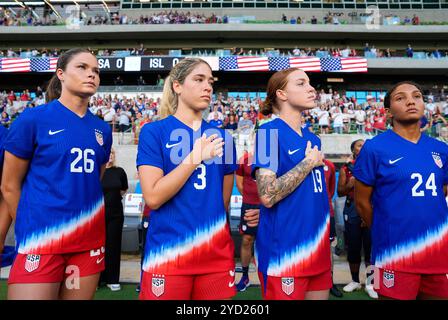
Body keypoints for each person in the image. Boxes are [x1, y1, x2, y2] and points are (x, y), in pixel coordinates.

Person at [137, 58, 257, 300]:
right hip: (168, 254)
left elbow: (221, 203)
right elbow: (153, 197)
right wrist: (195, 157)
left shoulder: (223, 138)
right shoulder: (154, 131)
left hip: (215, 254)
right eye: (199, 79)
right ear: (177, 86)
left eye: (210, 81)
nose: (208, 87)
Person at [0, 48, 112, 300]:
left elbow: (94, 182)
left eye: (96, 70)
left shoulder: (102, 129)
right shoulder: (32, 119)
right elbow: (9, 185)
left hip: (87, 243)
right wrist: (32, 226)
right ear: (60, 74)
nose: (91, 74)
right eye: (82, 68)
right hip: (41, 242)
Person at [354, 81, 448, 300]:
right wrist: (385, 231)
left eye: (416, 96)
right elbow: (361, 203)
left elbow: (441, 191)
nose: (410, 101)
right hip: (392, 254)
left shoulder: (441, 149)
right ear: (388, 112)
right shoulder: (374, 147)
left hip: (437, 252)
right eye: (400, 98)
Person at [253, 68, 331, 300]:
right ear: (282, 94)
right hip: (285, 252)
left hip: (318, 248)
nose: (311, 88)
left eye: (309, 83)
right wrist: (307, 163)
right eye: (301, 83)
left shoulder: (313, 138)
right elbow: (267, 195)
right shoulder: (267, 133)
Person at [337, 139, 377, 299]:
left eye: (365, 144)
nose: (363, 147)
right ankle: (354, 281)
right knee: (353, 248)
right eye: (360, 145)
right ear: (353, 150)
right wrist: (350, 185)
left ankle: (372, 283)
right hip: (352, 209)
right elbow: (340, 192)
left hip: (372, 208)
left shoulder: (375, 166)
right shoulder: (346, 169)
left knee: (372, 249)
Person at [99, 148, 128, 291]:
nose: (110, 155)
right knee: (98, 246)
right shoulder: (98, 170)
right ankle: (98, 279)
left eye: (112, 153)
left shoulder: (119, 171)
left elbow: (123, 189)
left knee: (114, 246)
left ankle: (112, 279)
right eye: (108, 153)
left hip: (116, 214)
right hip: (98, 214)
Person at [235, 148, 260, 292]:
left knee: (268, 239)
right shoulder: (245, 159)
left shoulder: (274, 156)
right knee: (247, 240)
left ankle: (269, 275)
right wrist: (250, 198)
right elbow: (239, 184)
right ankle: (245, 278)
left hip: (269, 205)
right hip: (249, 205)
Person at [322, 157, 343, 298]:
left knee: (328, 248)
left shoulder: (329, 165)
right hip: (306, 214)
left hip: (326, 213)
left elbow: (330, 190)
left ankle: (330, 282)